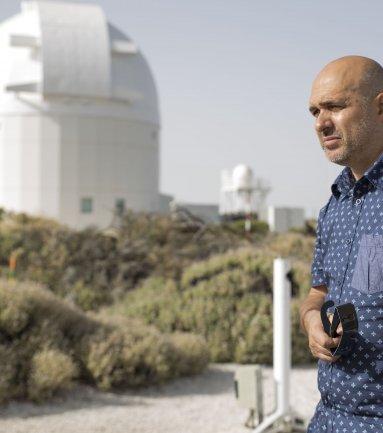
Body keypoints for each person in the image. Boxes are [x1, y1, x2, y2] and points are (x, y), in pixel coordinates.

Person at [300, 55, 383, 432]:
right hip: (328, 418)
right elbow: (317, 293)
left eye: (336, 106)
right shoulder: (333, 206)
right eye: (316, 111)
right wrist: (311, 322)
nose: (321, 122)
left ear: (380, 106)